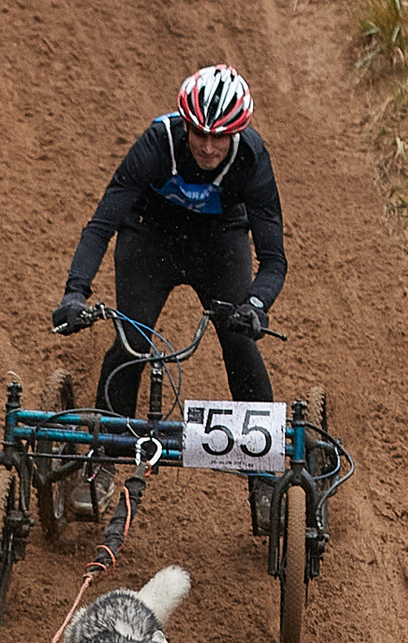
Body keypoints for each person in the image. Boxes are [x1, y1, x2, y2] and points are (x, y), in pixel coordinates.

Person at [53, 63, 286, 418]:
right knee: (133, 341)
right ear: (186, 125)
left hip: (219, 244)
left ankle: (263, 467)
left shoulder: (252, 159)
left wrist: (256, 304)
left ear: (237, 133)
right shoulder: (157, 143)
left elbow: (273, 260)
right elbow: (102, 225)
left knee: (240, 342)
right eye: (199, 134)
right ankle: (105, 460)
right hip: (150, 238)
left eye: (219, 137)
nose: (208, 148)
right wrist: (75, 292)